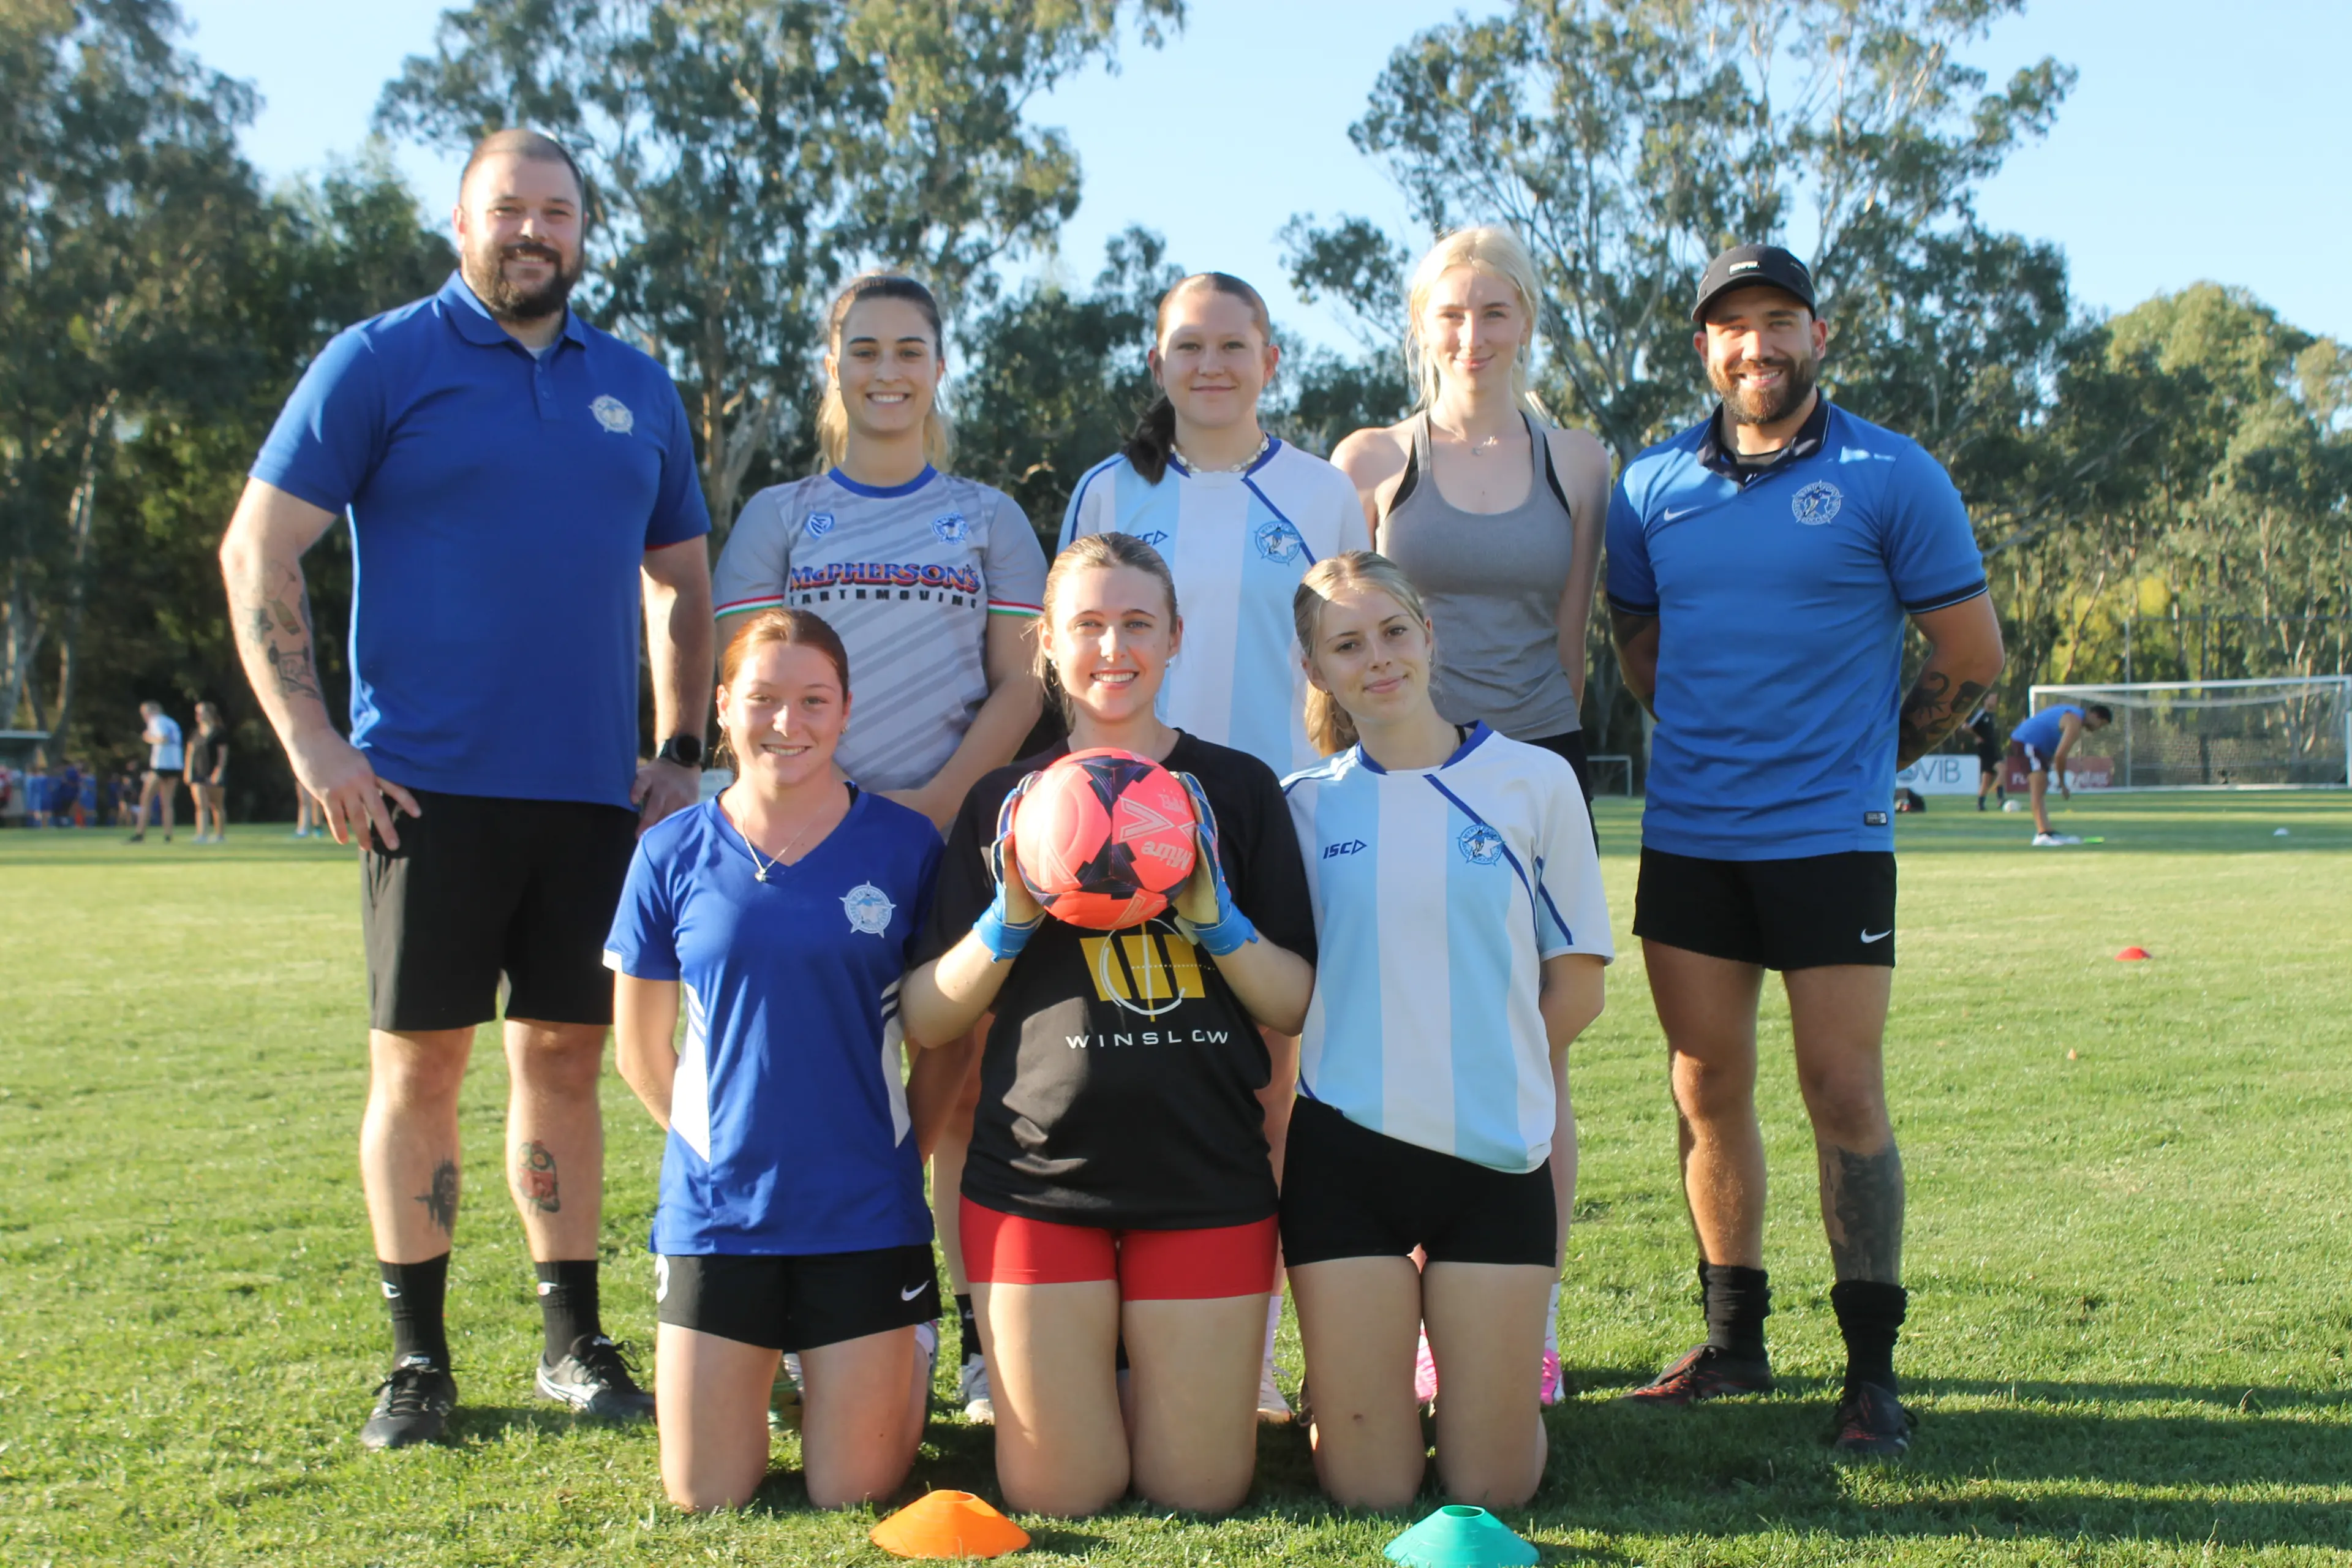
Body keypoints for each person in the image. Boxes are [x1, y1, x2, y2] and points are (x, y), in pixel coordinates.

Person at [219, 128, 714, 1450]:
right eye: (508, 209)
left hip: (592, 800)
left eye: (556, 211)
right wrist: (317, 742)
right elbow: (259, 547)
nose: (532, 231)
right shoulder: (382, 359)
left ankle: (571, 1337)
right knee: (420, 1065)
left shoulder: (638, 386)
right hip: (422, 793)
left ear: (585, 231)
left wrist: (682, 747)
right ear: (462, 222)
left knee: (564, 1059)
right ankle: (419, 1360)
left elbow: (681, 580)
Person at [1605, 244, 2005, 1457]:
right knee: (1704, 1084)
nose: (1757, 346)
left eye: (1779, 321)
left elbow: (1972, 659)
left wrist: (1864, 757)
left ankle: (1871, 1374)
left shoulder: (1894, 474)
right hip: (1691, 837)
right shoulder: (1649, 485)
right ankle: (1733, 1342)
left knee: (1842, 1089)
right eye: (1733, 327)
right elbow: (1639, 646)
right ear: (1704, 349)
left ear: (1817, 336)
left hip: (1832, 842)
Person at [900, 532, 1317, 1517]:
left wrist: (1215, 918)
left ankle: (1148, 1375)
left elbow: (1293, 1001)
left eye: (1138, 623)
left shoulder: (1240, 790)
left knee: (1200, 1492)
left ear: (1176, 636)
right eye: (1088, 625)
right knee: (1063, 1494)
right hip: (1036, 1186)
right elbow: (925, 1017)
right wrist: (1009, 919)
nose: (1113, 647)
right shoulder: (1002, 803)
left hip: (1205, 1179)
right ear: (1047, 642)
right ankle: (1113, 1375)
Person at [710, 271, 1047, 1423]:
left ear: (940, 366)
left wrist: (941, 800)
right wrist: (830, 813)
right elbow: (750, 691)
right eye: (865, 350)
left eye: (911, 349)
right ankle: (815, 1322)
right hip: (808, 843)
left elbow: (1022, 685)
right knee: (818, 1092)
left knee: (953, 1103)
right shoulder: (780, 516)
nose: (888, 371)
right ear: (834, 365)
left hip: (943, 839)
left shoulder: (990, 517)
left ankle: (960, 1334)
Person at [1061, 270, 1365, 1419]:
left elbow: (1341, 659)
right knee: (1129, 1071)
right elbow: (1077, 652)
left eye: (1233, 345)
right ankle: (1117, 1344)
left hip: (1269, 817)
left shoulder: (1324, 493)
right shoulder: (1109, 486)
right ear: (1158, 363)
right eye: (1188, 346)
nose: (1211, 366)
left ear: (1271, 359)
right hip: (1123, 827)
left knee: (1273, 1089)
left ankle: (1259, 1351)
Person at [1278, 551, 1609, 1508]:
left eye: (1392, 632)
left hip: (1494, 1162)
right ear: (1316, 671)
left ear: (1429, 635)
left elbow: (1578, 986)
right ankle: (1344, 1394)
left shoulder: (1534, 781)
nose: (1376, 658)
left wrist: (1490, 1080)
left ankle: (1490, 1385)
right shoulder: (1304, 808)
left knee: (1491, 1487)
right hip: (1346, 1163)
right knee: (1368, 1491)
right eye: (1346, 644)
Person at [609, 609, 946, 1512]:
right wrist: (716, 1155)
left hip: (865, 1215)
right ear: (724, 707)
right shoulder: (668, 852)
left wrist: (899, 1158)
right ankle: (788, 1360)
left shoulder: (907, 848)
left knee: (853, 1489)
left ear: (845, 711)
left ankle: (898, 1347)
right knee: (703, 1494)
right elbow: (640, 1050)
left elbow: (949, 1045)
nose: (786, 724)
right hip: (720, 1218)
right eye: (762, 700)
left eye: (812, 700)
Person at [1331, 226, 1613, 808]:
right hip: (1406, 758)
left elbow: (1570, 645)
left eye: (1495, 313)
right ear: (1422, 325)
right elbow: (1339, 640)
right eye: (1452, 314)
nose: (1472, 337)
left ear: (1526, 322)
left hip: (1544, 757)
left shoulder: (1580, 462)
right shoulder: (1368, 459)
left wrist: (1537, 762)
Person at [2007, 701, 2110, 845]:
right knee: (2038, 785)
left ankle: (2047, 832)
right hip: (2026, 741)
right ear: (2095, 716)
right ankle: (2042, 835)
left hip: (2036, 747)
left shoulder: (2073, 714)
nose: (2099, 729)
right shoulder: (2075, 721)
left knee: (2041, 785)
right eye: (2102, 724)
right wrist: (2062, 784)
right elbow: (2060, 756)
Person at [128, 704, 182, 843]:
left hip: (161, 765)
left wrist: (148, 738)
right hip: (175, 765)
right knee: (168, 802)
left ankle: (140, 833)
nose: (145, 717)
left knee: (146, 799)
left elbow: (163, 738)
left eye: (146, 713)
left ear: (155, 710)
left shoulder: (157, 721)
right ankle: (168, 835)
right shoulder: (172, 722)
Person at [186, 703, 230, 843]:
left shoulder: (219, 732)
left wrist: (219, 771)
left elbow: (223, 755)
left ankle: (219, 835)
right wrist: (188, 771)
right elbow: (190, 752)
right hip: (198, 773)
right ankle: (202, 834)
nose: (198, 715)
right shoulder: (195, 733)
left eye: (201, 712)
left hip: (213, 772)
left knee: (217, 805)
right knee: (201, 805)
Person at [1967, 696, 2004, 812]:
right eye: (1992, 699)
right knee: (2003, 769)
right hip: (1986, 750)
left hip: (1993, 749)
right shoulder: (1981, 714)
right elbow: (1966, 727)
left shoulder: (1992, 715)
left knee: (1987, 779)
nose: (1994, 701)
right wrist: (1976, 737)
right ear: (1985, 700)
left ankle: (1980, 804)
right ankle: (2000, 798)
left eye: (1996, 699)